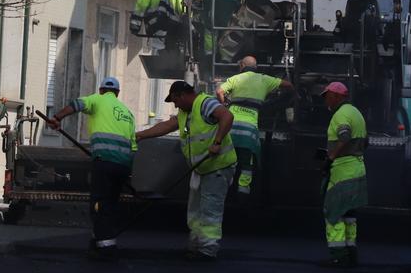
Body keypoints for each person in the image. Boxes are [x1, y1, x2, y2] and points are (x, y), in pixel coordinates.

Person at [136, 80, 237, 261]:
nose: (175, 105)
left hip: (218, 166)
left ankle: (208, 250)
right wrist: (140, 135)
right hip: (201, 168)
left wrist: (217, 142)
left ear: (182, 95)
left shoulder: (205, 103)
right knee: (195, 210)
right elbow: (167, 126)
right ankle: (196, 245)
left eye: (175, 100)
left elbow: (227, 116)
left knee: (210, 209)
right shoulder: (185, 112)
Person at [46, 76, 137, 259]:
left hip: (104, 161)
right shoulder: (128, 113)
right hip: (123, 165)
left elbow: (76, 104)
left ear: (101, 90)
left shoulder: (98, 99)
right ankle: (99, 241)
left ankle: (106, 247)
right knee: (111, 203)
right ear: (117, 93)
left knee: (99, 204)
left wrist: (56, 118)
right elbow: (133, 146)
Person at [217, 55, 293, 196]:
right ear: (256, 67)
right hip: (249, 130)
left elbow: (219, 91)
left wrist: (224, 105)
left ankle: (225, 190)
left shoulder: (235, 79)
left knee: (227, 160)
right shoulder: (264, 79)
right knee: (247, 162)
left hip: (230, 127)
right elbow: (288, 85)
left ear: (242, 66)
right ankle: (243, 193)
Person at [321, 82, 368, 267]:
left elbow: (344, 135)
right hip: (357, 168)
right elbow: (365, 142)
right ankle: (351, 251)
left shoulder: (341, 115)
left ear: (336, 96)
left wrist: (331, 157)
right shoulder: (356, 113)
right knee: (349, 213)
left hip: (342, 172)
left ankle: (338, 255)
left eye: (327, 96)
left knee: (333, 212)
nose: (325, 100)